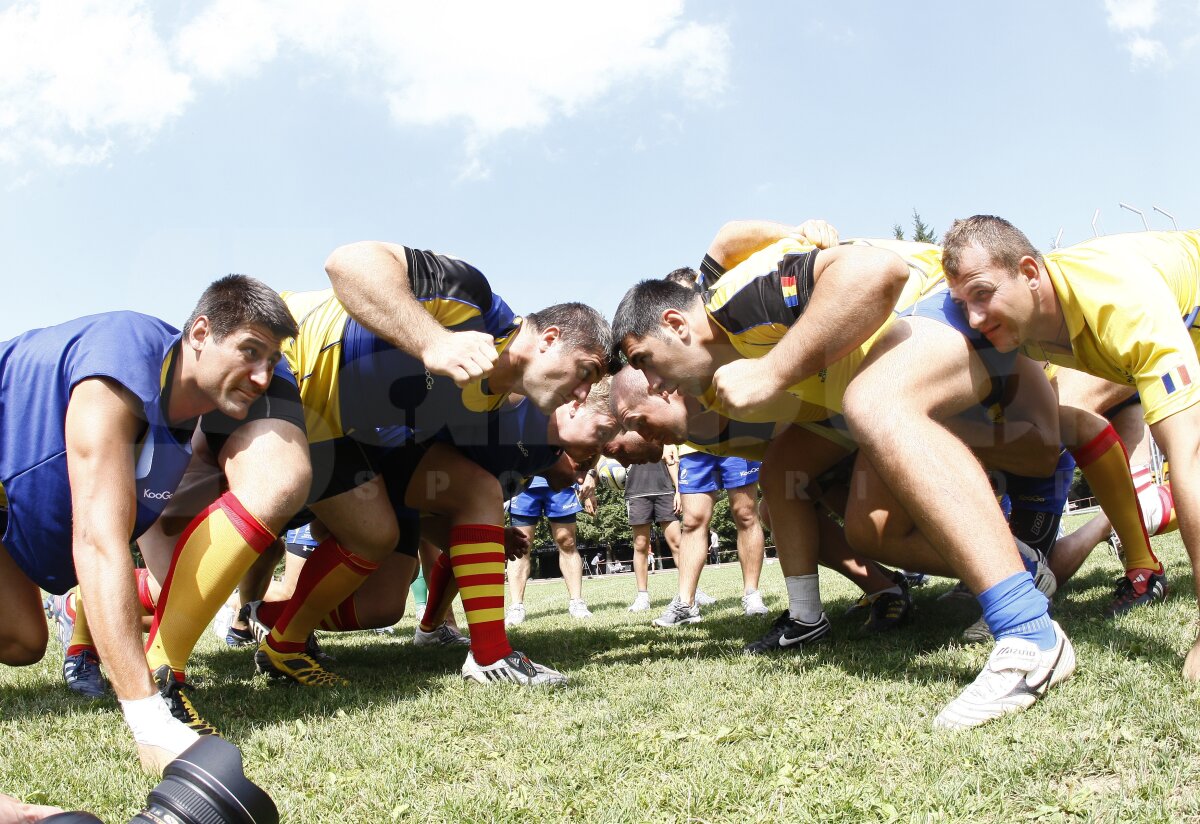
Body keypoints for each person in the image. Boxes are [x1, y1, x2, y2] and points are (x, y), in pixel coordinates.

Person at [615, 220, 1072, 729]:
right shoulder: (713, 378)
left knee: (873, 402)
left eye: (645, 361)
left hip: (940, 306)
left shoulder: (730, 300)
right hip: (869, 374)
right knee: (830, 500)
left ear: (677, 324)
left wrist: (772, 371)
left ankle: (1030, 634)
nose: (652, 382)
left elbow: (879, 270)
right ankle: (808, 618)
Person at [0, 276, 297, 772]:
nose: (262, 376)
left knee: (24, 642)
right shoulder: (119, 363)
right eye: (250, 351)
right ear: (200, 333)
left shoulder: (182, 418)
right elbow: (98, 542)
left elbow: (155, 553)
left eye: (271, 361)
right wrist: (149, 719)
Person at [942, 218, 1200, 678]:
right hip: (1162, 325)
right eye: (962, 303)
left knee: (1181, 451)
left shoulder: (1122, 302)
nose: (973, 318)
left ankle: (1142, 551)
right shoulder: (1027, 320)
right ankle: (1143, 556)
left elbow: (1188, 458)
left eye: (982, 294)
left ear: (1030, 272)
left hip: (1173, 310)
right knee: (1067, 409)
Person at [505, 472, 596, 625]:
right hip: (522, 482)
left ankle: (577, 602)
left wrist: (589, 475)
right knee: (520, 544)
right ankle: (516, 607)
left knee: (567, 541)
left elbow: (581, 451)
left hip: (560, 479)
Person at [623, 452, 686, 618]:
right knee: (640, 545)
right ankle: (642, 597)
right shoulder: (623, 429)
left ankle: (691, 591)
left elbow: (671, 460)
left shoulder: (662, 430)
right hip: (636, 493)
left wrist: (678, 490)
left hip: (665, 491)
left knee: (678, 543)